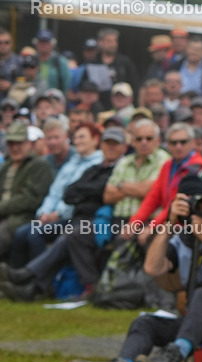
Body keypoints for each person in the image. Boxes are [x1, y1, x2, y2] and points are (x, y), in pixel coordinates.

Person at [68, 175, 202, 362]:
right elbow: (152, 268)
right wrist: (169, 225)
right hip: (201, 323)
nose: (199, 212)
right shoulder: (183, 237)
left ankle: (173, 357)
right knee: (144, 323)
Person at [0, 126, 128, 301]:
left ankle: (32, 281)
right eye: (108, 143)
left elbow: (102, 193)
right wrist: (89, 192)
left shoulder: (122, 167)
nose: (110, 148)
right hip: (76, 218)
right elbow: (69, 193)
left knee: (68, 237)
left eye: (115, 144)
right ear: (102, 145)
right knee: (32, 231)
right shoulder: (94, 169)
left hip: (98, 221)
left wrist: (86, 192)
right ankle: (28, 282)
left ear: (124, 147)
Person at [0, 123, 54, 260]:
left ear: (28, 144)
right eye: (11, 143)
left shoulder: (39, 165)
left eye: (19, 143)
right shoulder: (6, 166)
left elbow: (30, 199)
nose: (15, 147)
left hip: (24, 218)